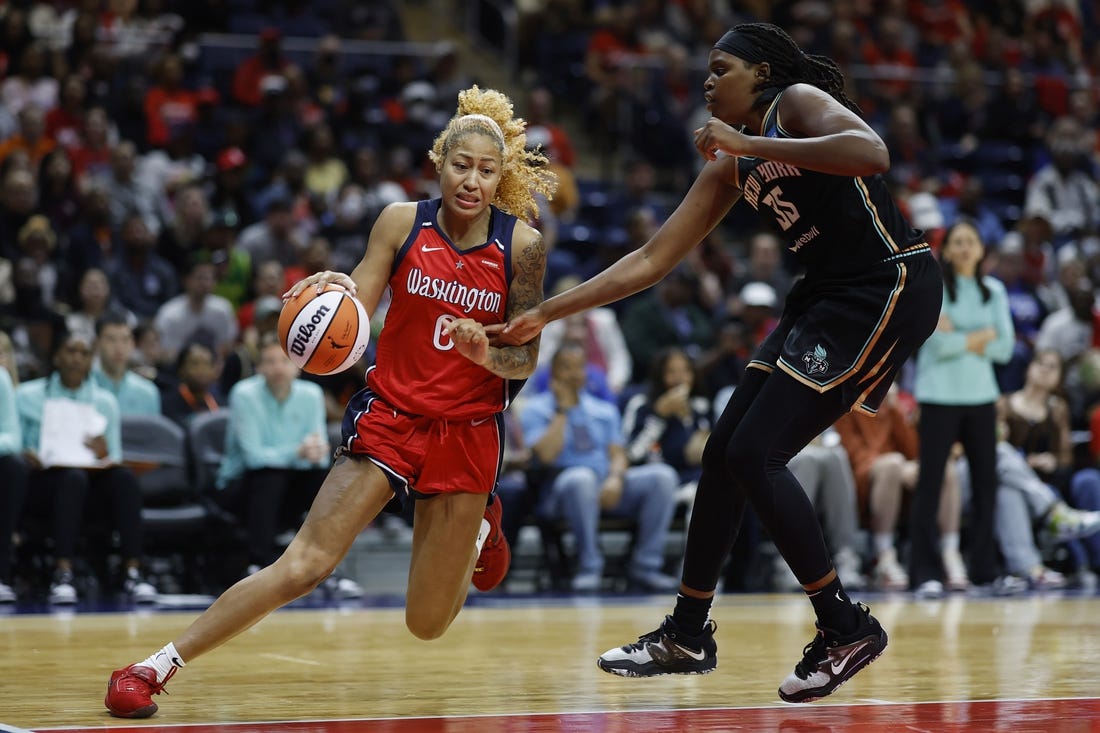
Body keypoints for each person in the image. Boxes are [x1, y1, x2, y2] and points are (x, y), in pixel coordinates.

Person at [498, 24, 942, 702]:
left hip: (888, 282)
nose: (707, 82)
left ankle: (845, 624)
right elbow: (651, 259)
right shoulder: (729, 164)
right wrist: (549, 311)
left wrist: (752, 142)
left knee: (758, 452)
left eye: (721, 68)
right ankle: (686, 632)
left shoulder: (792, 103)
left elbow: (872, 151)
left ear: (759, 75)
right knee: (724, 450)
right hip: (823, 294)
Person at [104, 85, 555, 719]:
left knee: (427, 624)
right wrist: (332, 293)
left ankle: (480, 532)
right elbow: (355, 311)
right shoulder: (401, 222)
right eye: (461, 164)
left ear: (500, 173)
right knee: (304, 564)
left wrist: (486, 354)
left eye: (486, 169)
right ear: (439, 162)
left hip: (470, 429)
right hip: (394, 417)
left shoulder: (524, 247)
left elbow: (525, 361)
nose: (473, 180)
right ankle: (151, 668)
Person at [520, 343, 680, 592]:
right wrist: (562, 410)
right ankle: (589, 566)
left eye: (579, 368)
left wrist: (615, 479)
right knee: (581, 478)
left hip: (605, 485)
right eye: (566, 368)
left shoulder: (603, 409)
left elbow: (618, 453)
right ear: (552, 373)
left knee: (663, 477)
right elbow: (546, 456)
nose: (574, 374)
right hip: (559, 491)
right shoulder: (536, 409)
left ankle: (646, 566)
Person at [909, 220, 1015, 598]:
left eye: (972, 241)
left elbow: (1005, 348)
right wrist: (980, 336)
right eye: (959, 242)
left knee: (987, 484)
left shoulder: (995, 292)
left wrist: (956, 336)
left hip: (982, 398)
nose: (966, 248)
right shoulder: (934, 288)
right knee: (930, 484)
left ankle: (985, 571)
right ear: (948, 250)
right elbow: (933, 345)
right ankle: (923, 571)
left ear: (982, 249)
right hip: (938, 397)